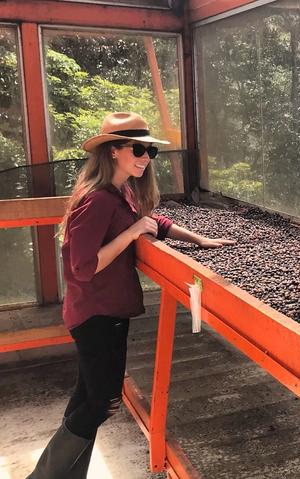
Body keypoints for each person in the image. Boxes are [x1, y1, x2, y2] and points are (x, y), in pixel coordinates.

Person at [27, 112, 235, 479]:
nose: (145, 157)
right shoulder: (99, 200)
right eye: (138, 149)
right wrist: (133, 232)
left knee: (86, 399)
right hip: (96, 314)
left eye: (149, 152)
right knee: (102, 401)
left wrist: (199, 240)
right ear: (112, 152)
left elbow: (157, 223)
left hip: (107, 311)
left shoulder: (122, 192)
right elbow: (84, 267)